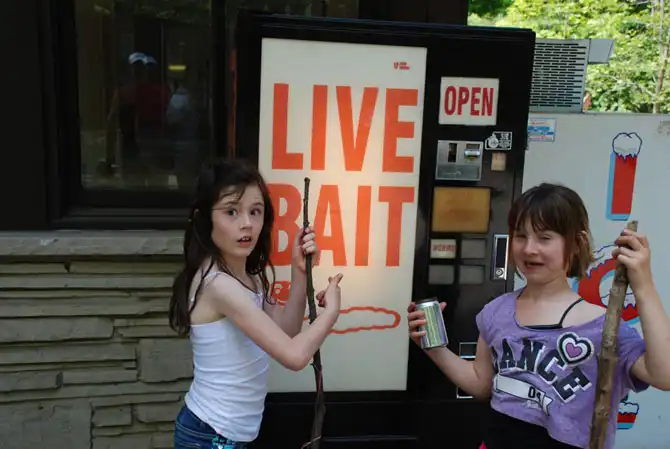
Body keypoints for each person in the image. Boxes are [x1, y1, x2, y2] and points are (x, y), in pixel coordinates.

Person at [407, 183, 670, 449]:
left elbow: (664, 375)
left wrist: (644, 284)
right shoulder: (496, 312)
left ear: (576, 243)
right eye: (521, 236)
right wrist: (435, 349)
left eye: (544, 238)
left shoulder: (602, 327)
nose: (529, 249)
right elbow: (481, 384)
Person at [169, 158, 344, 449]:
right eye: (231, 212)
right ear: (204, 218)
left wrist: (299, 272)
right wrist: (332, 313)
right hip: (210, 435)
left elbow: (286, 332)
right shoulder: (219, 285)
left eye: (255, 211)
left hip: (229, 434)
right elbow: (294, 356)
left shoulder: (249, 277)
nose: (247, 223)